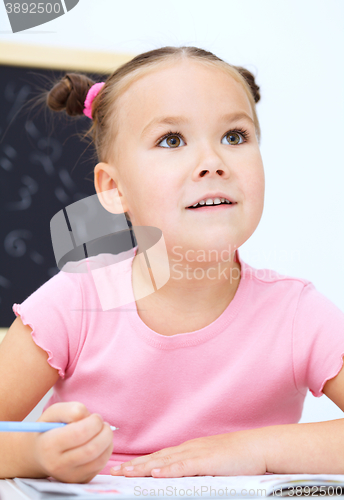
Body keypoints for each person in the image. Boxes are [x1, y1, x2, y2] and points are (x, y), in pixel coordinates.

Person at [1, 46, 344, 484]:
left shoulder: (297, 315)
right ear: (113, 189)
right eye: (172, 140)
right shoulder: (75, 302)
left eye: (234, 137)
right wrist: (38, 454)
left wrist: (252, 449)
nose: (212, 164)